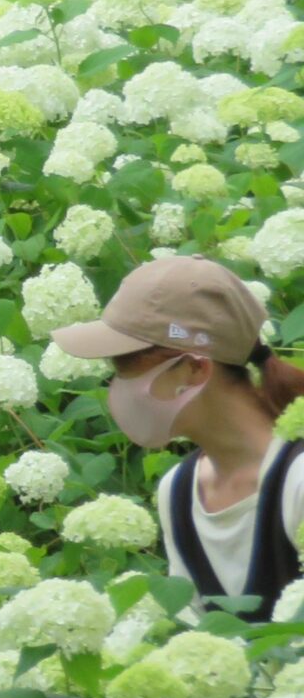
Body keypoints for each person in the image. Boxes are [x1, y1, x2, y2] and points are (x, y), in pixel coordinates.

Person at [53, 254, 304, 613]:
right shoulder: (179, 491)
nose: (118, 388)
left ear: (193, 369)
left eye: (126, 369)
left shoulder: (298, 480)